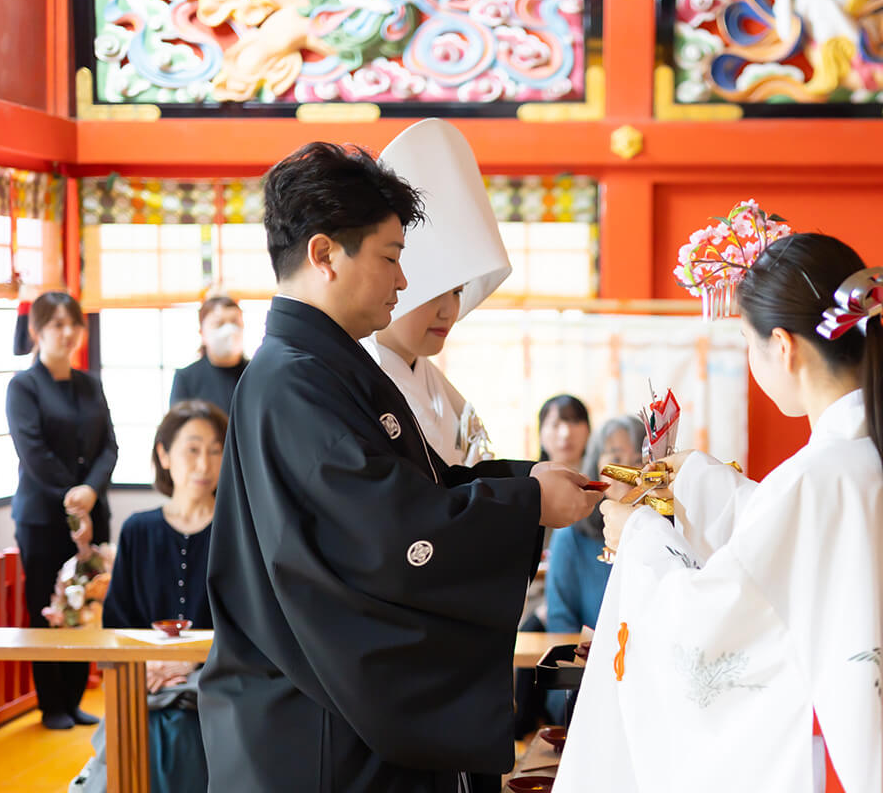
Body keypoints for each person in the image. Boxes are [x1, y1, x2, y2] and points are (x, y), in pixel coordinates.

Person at [197, 141, 603, 793]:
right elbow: (390, 531)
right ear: (324, 255)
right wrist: (527, 505)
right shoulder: (294, 382)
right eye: (390, 257)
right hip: (317, 725)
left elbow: (420, 488)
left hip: (336, 710)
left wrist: (525, 482)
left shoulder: (325, 368)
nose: (405, 282)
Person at [555, 233, 883, 792]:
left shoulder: (818, 476)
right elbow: (797, 542)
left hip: (835, 752)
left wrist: (639, 535)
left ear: (783, 347)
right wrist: (698, 478)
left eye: (748, 341)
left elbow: (706, 621)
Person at [89, 399, 227, 793]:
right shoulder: (138, 529)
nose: (204, 464)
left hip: (214, 675)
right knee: (141, 721)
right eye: (192, 449)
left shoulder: (237, 532)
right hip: (145, 674)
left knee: (176, 728)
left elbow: (249, 623)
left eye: (215, 450)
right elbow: (117, 620)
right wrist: (149, 664)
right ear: (164, 455)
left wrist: (191, 660)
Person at [361, 119, 512, 467]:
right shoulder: (362, 373)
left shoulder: (431, 377)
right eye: (434, 294)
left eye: (457, 292)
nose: (449, 311)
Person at [7, 291, 118, 730]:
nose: (68, 332)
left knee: (84, 604)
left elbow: (109, 446)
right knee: (46, 606)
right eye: (56, 324)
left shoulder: (90, 383)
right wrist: (73, 496)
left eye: (74, 323)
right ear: (36, 331)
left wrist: (91, 491)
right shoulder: (23, 386)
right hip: (43, 518)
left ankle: (73, 698)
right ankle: (51, 703)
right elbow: (32, 451)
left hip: (92, 515)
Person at [545, 414, 645, 635]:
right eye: (616, 458)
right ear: (596, 464)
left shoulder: (668, 529)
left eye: (639, 460)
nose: (628, 471)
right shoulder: (572, 534)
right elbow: (560, 620)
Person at [169, 295, 247, 415]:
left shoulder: (255, 374)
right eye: (219, 324)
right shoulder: (186, 378)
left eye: (234, 322)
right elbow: (178, 423)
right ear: (202, 332)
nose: (229, 330)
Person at [537, 394, 590, 469]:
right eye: (554, 424)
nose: (566, 433)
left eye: (574, 422)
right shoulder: (527, 475)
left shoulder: (604, 469)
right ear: (540, 434)